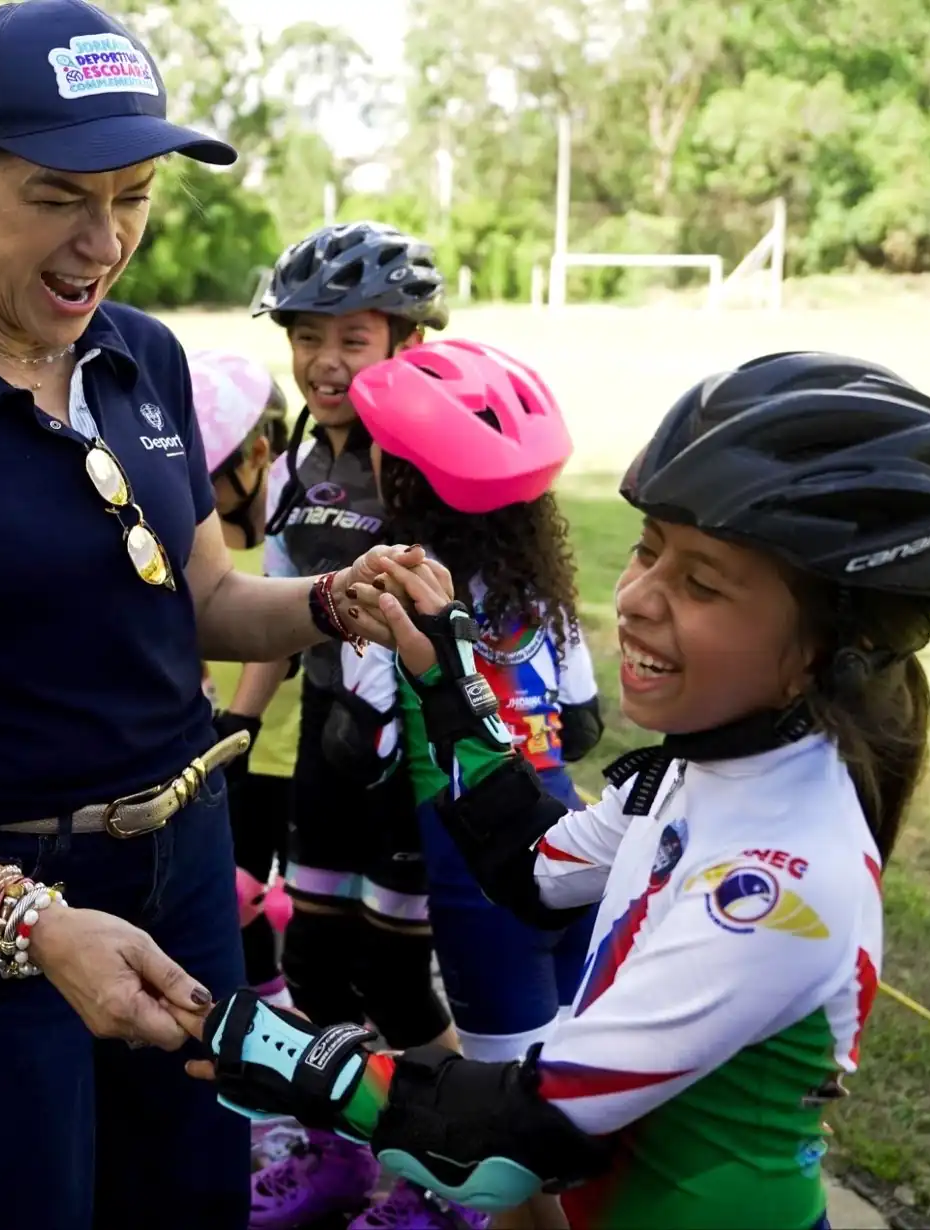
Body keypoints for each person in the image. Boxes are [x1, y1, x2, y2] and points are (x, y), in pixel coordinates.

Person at [0, 4, 443, 1227]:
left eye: (131, 197)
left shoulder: (143, 355)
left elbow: (205, 601)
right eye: (58, 197)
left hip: (187, 865)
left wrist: (332, 600)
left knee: (189, 1197)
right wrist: (29, 920)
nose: (105, 240)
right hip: (0, 897)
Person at [190, 351, 930, 1230]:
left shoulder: (783, 880)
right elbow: (531, 864)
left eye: (700, 583)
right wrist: (446, 675)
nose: (634, 599)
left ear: (831, 649)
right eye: (648, 550)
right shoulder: (697, 771)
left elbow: (519, 1131)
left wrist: (306, 1062)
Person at [345, 337, 607, 1230]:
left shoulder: (394, 591)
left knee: (513, 1143)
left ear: (402, 478)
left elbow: (364, 738)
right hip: (571, 841)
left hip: (474, 865)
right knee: (578, 1109)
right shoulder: (544, 589)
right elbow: (583, 723)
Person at [247, 219, 464, 1229]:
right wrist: (233, 730)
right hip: (326, 746)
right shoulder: (295, 466)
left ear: (405, 343)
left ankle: (449, 1178)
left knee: (396, 979)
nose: (324, 362)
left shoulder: (425, 469)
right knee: (312, 964)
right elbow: (273, 618)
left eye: (351, 339)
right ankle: (336, 1157)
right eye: (307, 338)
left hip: (407, 759)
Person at [187, 348, 302, 1011]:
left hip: (290, 759)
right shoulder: (194, 543)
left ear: (259, 455)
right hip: (229, 757)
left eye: (206, 480)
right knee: (239, 918)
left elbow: (277, 641)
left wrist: (240, 720)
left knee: (311, 937)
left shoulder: (291, 535)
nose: (193, 499)